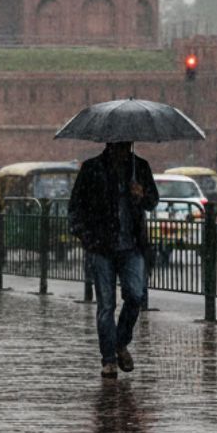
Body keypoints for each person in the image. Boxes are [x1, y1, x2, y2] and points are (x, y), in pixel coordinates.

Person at [68, 141, 159, 379]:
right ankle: (108, 359)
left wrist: (142, 194)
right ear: (110, 143)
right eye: (120, 144)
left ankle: (120, 342)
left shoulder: (139, 167)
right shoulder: (92, 168)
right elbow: (75, 207)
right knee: (106, 305)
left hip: (132, 246)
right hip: (102, 246)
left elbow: (153, 201)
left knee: (135, 296)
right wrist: (87, 237)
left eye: (127, 143)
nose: (124, 147)